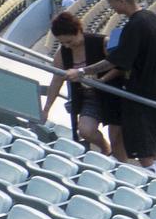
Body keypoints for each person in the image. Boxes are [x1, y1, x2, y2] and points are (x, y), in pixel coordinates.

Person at [83, 0, 156, 171]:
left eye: (113, 3)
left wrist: (83, 71)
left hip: (140, 92)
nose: (112, 8)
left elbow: (115, 60)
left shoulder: (135, 25)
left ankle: (154, 183)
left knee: (142, 144)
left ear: (121, 1)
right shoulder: (153, 19)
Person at [42, 11, 111, 153]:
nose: (67, 46)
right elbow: (56, 80)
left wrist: (103, 79)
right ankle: (105, 148)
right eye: (62, 43)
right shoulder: (62, 53)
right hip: (88, 97)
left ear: (78, 31)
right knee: (85, 131)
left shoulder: (102, 43)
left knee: (117, 135)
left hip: (110, 93)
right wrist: (47, 109)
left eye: (69, 41)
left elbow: (117, 65)